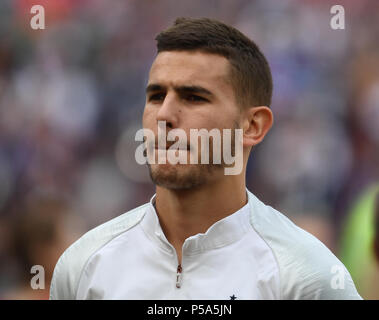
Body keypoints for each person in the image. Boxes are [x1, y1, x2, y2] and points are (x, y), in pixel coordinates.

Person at [50, 17, 362, 300]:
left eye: (193, 97)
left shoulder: (305, 278)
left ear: (253, 126)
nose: (165, 115)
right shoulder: (83, 267)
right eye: (156, 96)